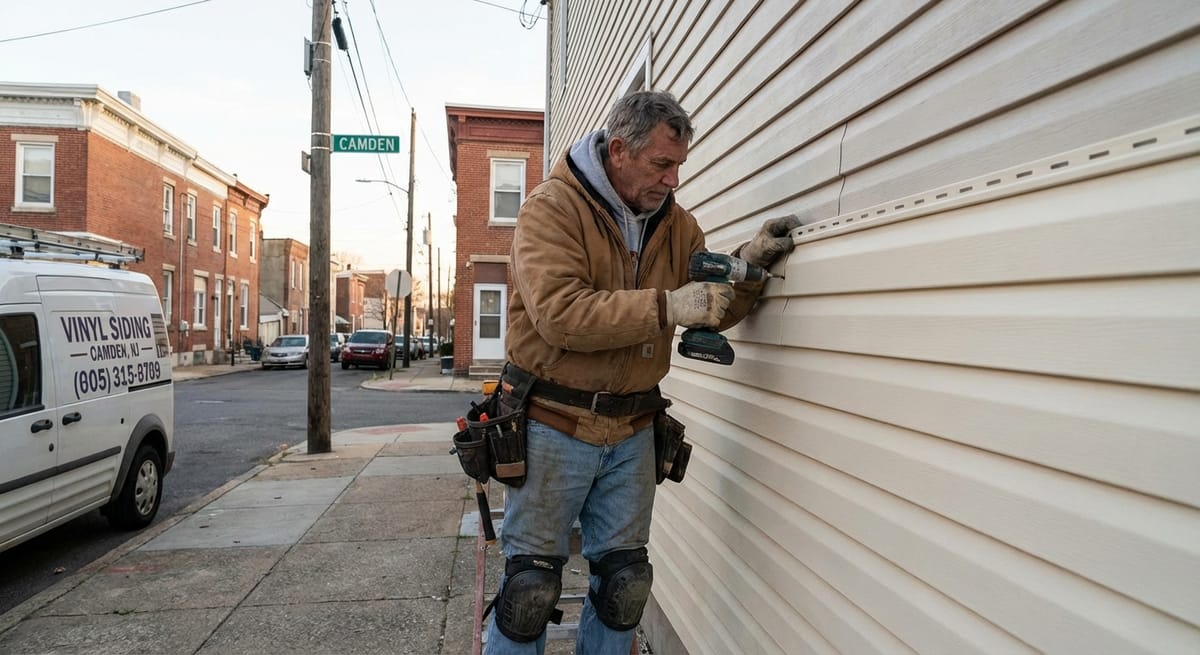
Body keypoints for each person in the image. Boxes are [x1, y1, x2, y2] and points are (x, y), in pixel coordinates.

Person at [485, 90, 800, 654]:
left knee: (625, 586)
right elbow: (561, 314)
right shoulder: (550, 209)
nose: (673, 179)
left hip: (632, 430)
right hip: (551, 423)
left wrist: (748, 265)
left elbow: (710, 305)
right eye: (662, 164)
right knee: (530, 589)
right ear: (619, 150)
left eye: (679, 165)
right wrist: (667, 307)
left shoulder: (677, 226)